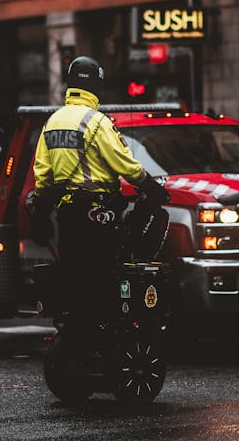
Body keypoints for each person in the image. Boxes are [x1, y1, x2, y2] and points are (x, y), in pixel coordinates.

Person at [29, 56, 169, 311]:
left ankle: (75, 328)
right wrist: (149, 186)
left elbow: (43, 173)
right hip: (98, 215)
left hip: (67, 215)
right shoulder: (97, 122)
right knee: (103, 276)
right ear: (95, 86)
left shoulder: (52, 122)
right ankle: (99, 329)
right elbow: (124, 163)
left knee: (74, 274)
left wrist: (40, 210)